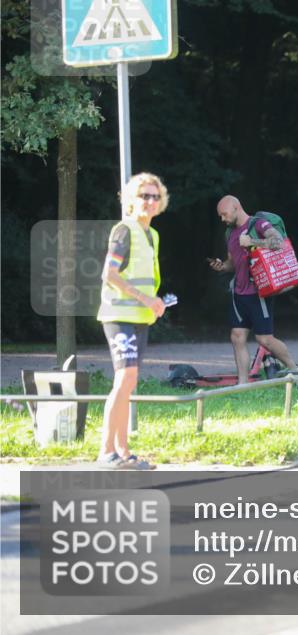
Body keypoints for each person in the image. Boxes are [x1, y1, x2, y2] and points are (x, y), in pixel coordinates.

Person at [95, 172, 169, 470]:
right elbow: (109, 274)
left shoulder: (152, 235)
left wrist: (156, 301)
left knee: (129, 382)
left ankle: (124, 452)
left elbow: (145, 279)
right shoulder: (124, 230)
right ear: (130, 200)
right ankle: (106, 451)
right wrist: (146, 299)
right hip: (118, 316)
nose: (150, 201)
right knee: (124, 379)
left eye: (155, 197)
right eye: (144, 196)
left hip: (140, 318)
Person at [208, 196, 298, 383]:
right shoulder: (230, 233)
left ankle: (296, 370)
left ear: (235, 207)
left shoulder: (258, 224)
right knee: (237, 336)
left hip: (259, 292)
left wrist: (253, 242)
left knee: (264, 339)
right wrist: (223, 266)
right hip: (239, 293)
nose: (222, 219)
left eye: (224, 214)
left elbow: (278, 243)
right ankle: (242, 385)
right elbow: (233, 263)